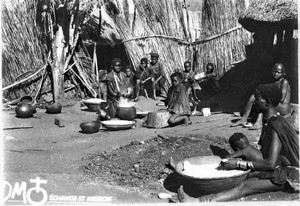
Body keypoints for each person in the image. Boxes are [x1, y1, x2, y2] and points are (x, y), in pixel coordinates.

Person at [177, 83, 299, 202]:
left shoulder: (275, 124)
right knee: (241, 176)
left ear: (266, 102)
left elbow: (271, 164)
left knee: (244, 186)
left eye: (257, 99)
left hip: (281, 176)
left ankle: (198, 201)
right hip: (272, 168)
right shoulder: (268, 120)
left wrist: (239, 164)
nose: (254, 101)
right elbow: (264, 152)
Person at [232, 62, 291, 129]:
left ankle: (259, 123)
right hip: (276, 104)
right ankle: (243, 119)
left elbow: (282, 99)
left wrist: (268, 98)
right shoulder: (274, 81)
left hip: (283, 107)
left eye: (278, 72)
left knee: (263, 103)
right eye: (274, 71)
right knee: (253, 97)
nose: (276, 73)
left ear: (283, 73)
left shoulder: (284, 82)